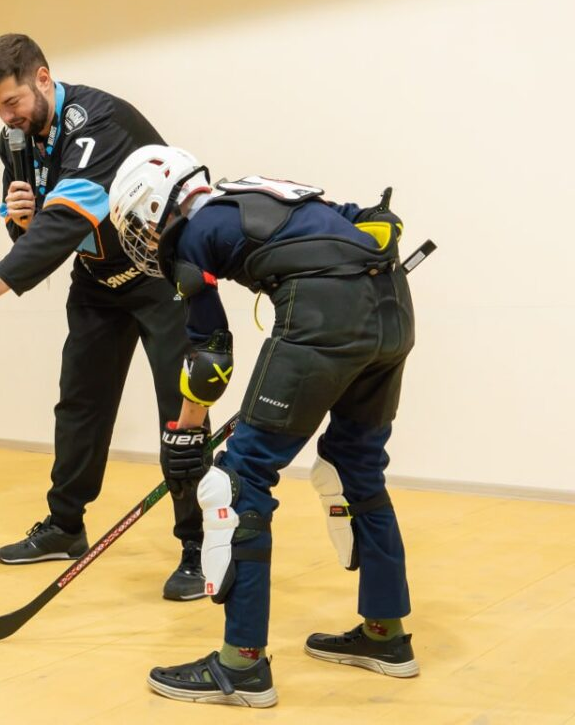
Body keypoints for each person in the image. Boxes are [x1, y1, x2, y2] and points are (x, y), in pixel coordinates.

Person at [106, 145, 418, 707]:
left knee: (238, 480)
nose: (141, 240)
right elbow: (364, 218)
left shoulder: (193, 234)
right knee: (357, 468)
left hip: (325, 317)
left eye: (137, 227)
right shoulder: (251, 191)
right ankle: (385, 637)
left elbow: (209, 358)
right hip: (393, 308)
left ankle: (241, 666)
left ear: (155, 209)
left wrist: (184, 433)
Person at [0, 34, 204, 600]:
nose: (6, 116)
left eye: (12, 100)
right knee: (79, 406)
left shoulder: (99, 122)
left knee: (181, 412)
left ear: (42, 78)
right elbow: (30, 226)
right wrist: (15, 219)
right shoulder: (14, 140)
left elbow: (62, 227)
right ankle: (66, 526)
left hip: (162, 278)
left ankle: (198, 546)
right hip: (98, 283)